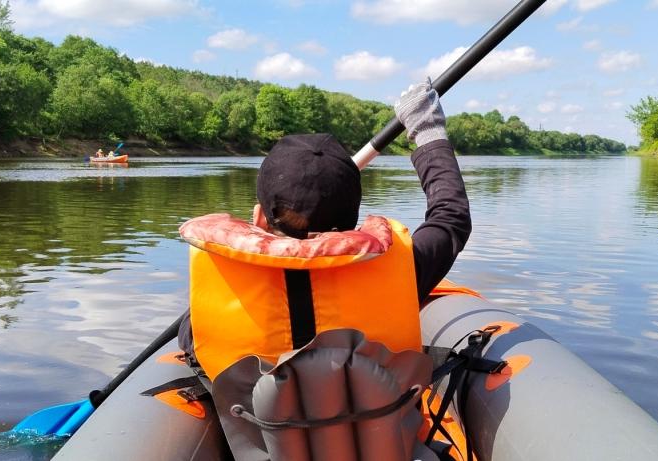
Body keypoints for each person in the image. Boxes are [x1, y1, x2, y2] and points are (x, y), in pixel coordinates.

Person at [174, 80, 470, 460]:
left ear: (259, 215)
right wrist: (427, 129)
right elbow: (451, 217)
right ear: (354, 222)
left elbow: (191, 341)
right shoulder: (402, 269)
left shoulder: (217, 289)